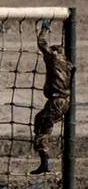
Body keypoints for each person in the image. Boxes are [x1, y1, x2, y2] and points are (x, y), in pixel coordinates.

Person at [31, 21, 73, 175]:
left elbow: (42, 43)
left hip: (57, 101)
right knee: (42, 121)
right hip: (62, 102)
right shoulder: (68, 64)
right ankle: (44, 157)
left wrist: (44, 28)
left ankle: (45, 162)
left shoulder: (54, 59)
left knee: (41, 125)